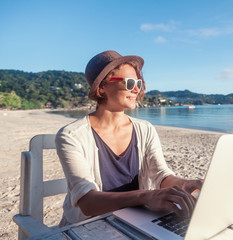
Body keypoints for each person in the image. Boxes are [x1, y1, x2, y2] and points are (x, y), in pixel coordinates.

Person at [55, 50, 202, 226]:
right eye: (130, 82)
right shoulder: (72, 136)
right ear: (102, 87)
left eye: (138, 83)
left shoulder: (145, 129)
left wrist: (187, 184)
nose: (136, 89)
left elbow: (161, 175)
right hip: (89, 226)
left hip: (136, 222)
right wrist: (149, 196)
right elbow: (87, 202)